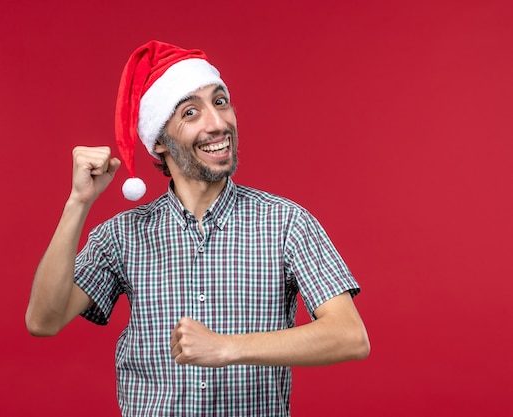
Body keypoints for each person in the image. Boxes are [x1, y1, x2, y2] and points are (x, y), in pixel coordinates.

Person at [25, 40, 370, 416]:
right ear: (159, 141)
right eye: (192, 112)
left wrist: (228, 347)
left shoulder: (286, 223)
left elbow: (350, 337)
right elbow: (44, 320)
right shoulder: (122, 236)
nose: (217, 123)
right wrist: (78, 203)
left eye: (220, 102)